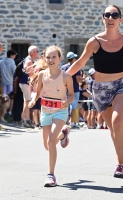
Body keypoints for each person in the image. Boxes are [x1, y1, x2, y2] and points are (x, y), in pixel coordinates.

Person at [66, 5, 123, 179]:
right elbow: (79, 64)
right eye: (107, 15)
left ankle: (120, 164)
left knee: (117, 123)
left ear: (120, 19)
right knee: (113, 130)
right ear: (103, 18)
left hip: (121, 85)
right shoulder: (94, 42)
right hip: (99, 89)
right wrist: (61, 77)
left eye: (114, 15)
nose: (110, 18)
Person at [28, 45, 74, 187]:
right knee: (47, 145)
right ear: (44, 58)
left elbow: (72, 95)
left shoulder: (66, 76)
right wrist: (33, 100)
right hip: (46, 111)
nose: (51, 59)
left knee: (51, 140)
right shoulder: (42, 75)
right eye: (48, 57)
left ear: (60, 59)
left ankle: (51, 175)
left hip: (60, 111)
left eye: (54, 57)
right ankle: (63, 135)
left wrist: (67, 101)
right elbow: (38, 91)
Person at [18, 45, 39, 128]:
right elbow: (30, 73)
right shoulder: (29, 61)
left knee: (26, 101)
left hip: (25, 83)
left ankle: (25, 119)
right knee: (27, 101)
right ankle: (26, 120)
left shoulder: (29, 60)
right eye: (37, 51)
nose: (37, 53)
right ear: (33, 52)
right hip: (26, 83)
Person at [61, 52, 83, 129]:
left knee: (65, 106)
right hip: (74, 89)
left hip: (65, 89)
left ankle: (65, 122)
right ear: (73, 59)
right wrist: (82, 79)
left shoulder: (63, 67)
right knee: (73, 107)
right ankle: (72, 123)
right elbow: (78, 80)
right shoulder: (76, 67)